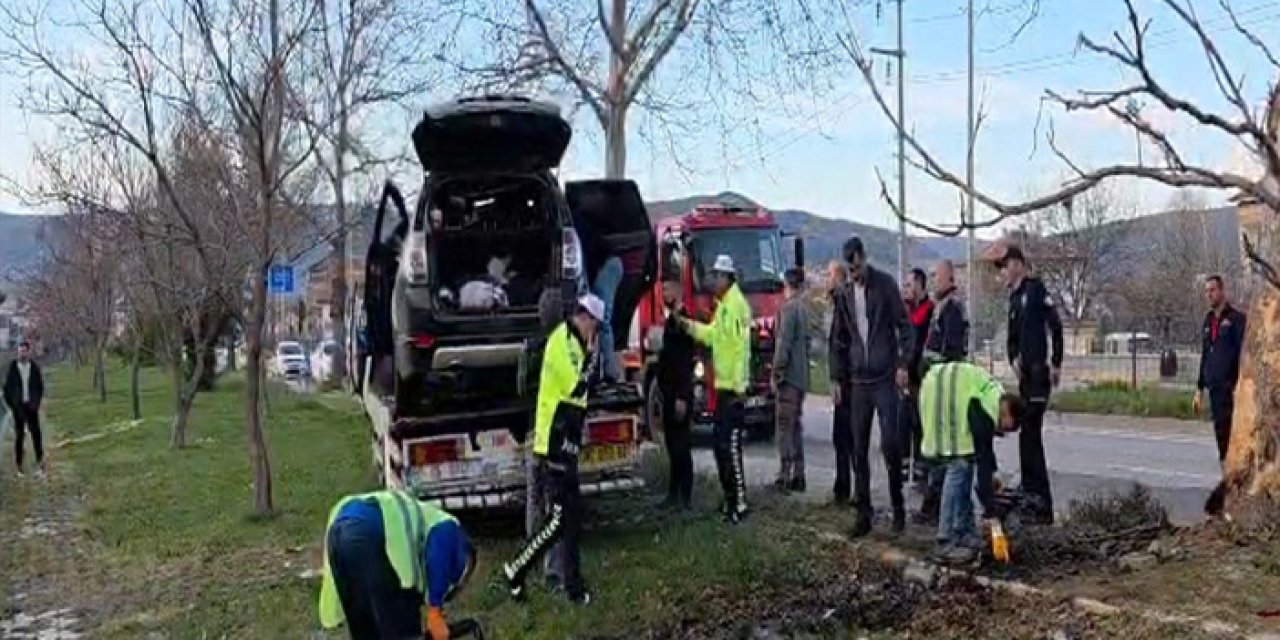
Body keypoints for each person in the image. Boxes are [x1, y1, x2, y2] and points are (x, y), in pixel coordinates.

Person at [504, 294, 605, 605]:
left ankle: (572, 586)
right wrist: (591, 359)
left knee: (570, 518)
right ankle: (519, 569)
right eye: (595, 327)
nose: (595, 335)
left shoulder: (573, 343)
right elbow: (577, 388)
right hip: (554, 443)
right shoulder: (561, 344)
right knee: (560, 519)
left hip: (567, 441)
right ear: (585, 319)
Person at [828, 237, 914, 537]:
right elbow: (838, 340)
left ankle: (898, 507)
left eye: (857, 267)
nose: (855, 274)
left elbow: (905, 327)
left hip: (884, 378)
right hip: (858, 382)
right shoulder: (845, 295)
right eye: (850, 271)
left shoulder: (886, 285)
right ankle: (863, 514)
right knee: (858, 450)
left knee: (890, 444)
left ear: (865, 258)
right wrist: (837, 378)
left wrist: (903, 364)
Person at [318, 490, 478, 640]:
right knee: (402, 628)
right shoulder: (449, 527)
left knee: (366, 629)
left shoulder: (422, 521)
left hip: (339, 532)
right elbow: (439, 551)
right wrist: (434, 611)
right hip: (370, 533)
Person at [919, 360, 1025, 564]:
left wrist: (992, 475)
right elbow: (983, 455)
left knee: (965, 467)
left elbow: (983, 450)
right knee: (958, 470)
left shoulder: (993, 401)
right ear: (1008, 413)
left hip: (941, 387)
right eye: (1008, 428)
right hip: (941, 394)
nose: (1004, 433)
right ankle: (945, 541)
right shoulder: (987, 412)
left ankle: (964, 531)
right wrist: (991, 511)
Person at [681, 254, 752, 523]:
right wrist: (687, 326)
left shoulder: (736, 307)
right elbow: (712, 336)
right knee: (719, 447)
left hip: (732, 391)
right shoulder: (724, 306)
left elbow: (742, 351)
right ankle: (730, 501)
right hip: (723, 389)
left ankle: (739, 505)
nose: (713, 281)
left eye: (717, 276)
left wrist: (739, 388)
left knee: (730, 448)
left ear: (727, 278)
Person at [996, 245, 1063, 525]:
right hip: (1024, 377)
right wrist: (1012, 359)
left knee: (1031, 433)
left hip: (1039, 374)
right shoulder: (1013, 299)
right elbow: (1011, 339)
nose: (1003, 272)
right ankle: (1032, 492)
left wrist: (1056, 362)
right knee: (1027, 434)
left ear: (1018, 265)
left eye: (1006, 265)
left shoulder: (1035, 290)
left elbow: (1055, 326)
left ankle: (1040, 497)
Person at [916, 259, 970, 524]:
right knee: (937, 450)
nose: (933, 280)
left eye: (937, 276)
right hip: (937, 387)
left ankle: (937, 509)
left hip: (947, 390)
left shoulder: (953, 310)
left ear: (949, 279)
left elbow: (951, 352)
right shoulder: (941, 308)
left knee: (943, 452)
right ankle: (933, 505)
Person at [1194, 275, 1246, 515]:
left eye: (1213, 290)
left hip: (1231, 389)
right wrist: (1199, 389)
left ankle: (1236, 488)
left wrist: (1241, 385)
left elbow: (1243, 355)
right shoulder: (1208, 322)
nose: (1209, 295)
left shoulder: (1235, 321)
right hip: (1214, 390)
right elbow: (1205, 355)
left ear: (1222, 291)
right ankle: (1228, 483)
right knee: (1220, 438)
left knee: (1233, 438)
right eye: (1206, 291)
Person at [656, 278, 696, 509]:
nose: (663, 294)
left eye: (667, 290)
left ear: (678, 293)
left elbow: (684, 362)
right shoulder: (672, 320)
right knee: (672, 444)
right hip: (669, 391)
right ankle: (673, 494)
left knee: (681, 445)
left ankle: (685, 497)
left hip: (679, 393)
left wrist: (681, 396)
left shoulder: (683, 322)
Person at [773, 267, 810, 493]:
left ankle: (784, 475)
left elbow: (783, 343)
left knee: (785, 426)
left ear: (787, 284)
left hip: (789, 379)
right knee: (795, 426)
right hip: (801, 377)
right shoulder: (804, 309)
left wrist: (777, 371)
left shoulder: (789, 309)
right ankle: (799, 473)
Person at [826, 260, 857, 505]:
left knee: (846, 436)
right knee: (845, 436)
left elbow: (839, 344)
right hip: (850, 378)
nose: (826, 279)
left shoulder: (843, 301)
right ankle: (844, 486)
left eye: (829, 275)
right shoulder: (844, 300)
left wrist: (837, 378)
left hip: (848, 380)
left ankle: (846, 489)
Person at [902, 268, 934, 485]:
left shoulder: (928, 310)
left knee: (921, 423)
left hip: (922, 375)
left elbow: (917, 344)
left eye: (910, 285)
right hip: (910, 374)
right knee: (908, 420)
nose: (907, 289)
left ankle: (922, 467)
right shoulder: (910, 309)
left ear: (920, 285)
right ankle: (908, 464)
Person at [4, 341, 45, 478]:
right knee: (19, 436)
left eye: (25, 351)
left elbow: (39, 386)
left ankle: (40, 462)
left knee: (36, 434)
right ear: (18, 352)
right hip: (18, 407)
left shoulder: (34, 367)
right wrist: (13, 405)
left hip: (31, 406)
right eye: (20, 351)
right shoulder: (13, 368)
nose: (22, 353)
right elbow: (7, 389)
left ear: (28, 352)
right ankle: (19, 466)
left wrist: (36, 402)